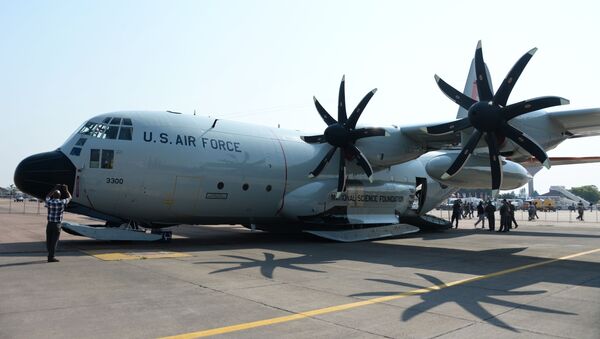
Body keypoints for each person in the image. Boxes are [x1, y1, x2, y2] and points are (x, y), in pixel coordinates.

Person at [45, 184, 71, 262]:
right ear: (59, 196)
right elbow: (70, 197)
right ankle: (51, 257)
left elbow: (47, 196)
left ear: (53, 196)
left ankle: (50, 254)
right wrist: (66, 190)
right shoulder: (61, 202)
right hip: (57, 225)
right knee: (54, 241)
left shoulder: (49, 202)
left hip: (49, 224)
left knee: (49, 240)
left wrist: (54, 188)